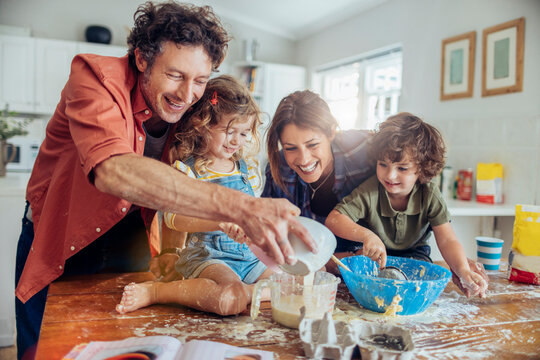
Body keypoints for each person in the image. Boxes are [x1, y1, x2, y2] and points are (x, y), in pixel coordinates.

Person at [14, 3, 314, 359]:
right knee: (50, 351)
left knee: (123, 345)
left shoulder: (189, 108)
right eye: (175, 75)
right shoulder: (95, 78)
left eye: (200, 81)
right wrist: (241, 207)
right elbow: (113, 168)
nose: (187, 95)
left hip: (128, 239)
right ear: (142, 59)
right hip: (63, 236)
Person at [116, 75, 273, 315]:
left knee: (295, 283)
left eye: (243, 134)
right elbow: (173, 220)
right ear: (203, 124)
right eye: (229, 131)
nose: (236, 141)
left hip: (249, 260)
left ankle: (244, 293)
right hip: (209, 258)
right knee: (227, 301)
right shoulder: (188, 170)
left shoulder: (247, 171)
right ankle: (157, 292)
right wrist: (219, 223)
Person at [325, 113, 488, 298]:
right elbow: (334, 219)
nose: (390, 175)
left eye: (402, 168)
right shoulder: (370, 190)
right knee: (350, 263)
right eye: (383, 164)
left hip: (415, 260)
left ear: (422, 168)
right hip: (376, 258)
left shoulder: (429, 194)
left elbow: (447, 239)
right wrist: (367, 236)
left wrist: (463, 270)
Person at [261, 90, 374, 274]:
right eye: (290, 148)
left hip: (371, 274)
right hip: (310, 275)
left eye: (312, 145)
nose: (304, 159)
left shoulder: (365, 150)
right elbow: (269, 238)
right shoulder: (278, 168)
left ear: (331, 132)